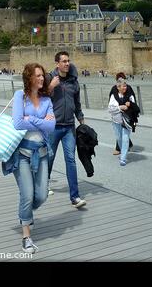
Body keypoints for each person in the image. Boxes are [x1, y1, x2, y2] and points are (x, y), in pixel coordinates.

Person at [2, 62, 55, 254]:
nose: (42, 78)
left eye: (43, 75)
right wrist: (40, 122)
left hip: (41, 153)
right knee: (27, 194)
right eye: (38, 75)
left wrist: (29, 119)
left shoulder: (47, 100)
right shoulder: (20, 96)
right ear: (29, 78)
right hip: (22, 154)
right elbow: (17, 123)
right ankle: (26, 236)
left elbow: (51, 127)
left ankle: (25, 214)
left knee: (40, 196)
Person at [46, 51, 87, 208]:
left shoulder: (73, 81)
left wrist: (81, 120)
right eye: (63, 61)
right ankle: (44, 184)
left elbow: (77, 103)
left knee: (71, 160)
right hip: (53, 127)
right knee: (49, 157)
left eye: (68, 61)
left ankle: (75, 197)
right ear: (57, 64)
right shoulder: (50, 78)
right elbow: (42, 98)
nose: (67, 63)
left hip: (69, 126)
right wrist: (51, 86)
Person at [108, 76, 139, 166]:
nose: (125, 88)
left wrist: (131, 105)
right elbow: (110, 109)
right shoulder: (114, 96)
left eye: (125, 86)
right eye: (123, 86)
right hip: (116, 120)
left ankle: (123, 158)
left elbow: (135, 108)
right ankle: (122, 151)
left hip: (127, 121)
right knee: (119, 138)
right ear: (118, 87)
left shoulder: (130, 96)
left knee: (125, 139)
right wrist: (120, 107)